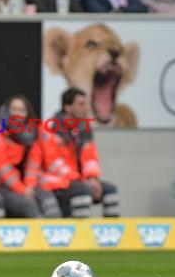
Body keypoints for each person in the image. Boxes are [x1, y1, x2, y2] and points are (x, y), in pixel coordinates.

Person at [41, 88, 120, 218]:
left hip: (80, 181)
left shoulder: (84, 129)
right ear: (67, 107)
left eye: (85, 104)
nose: (85, 108)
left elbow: (91, 158)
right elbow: (53, 164)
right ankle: (80, 236)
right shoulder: (51, 129)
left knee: (111, 191)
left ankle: (112, 234)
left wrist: (92, 178)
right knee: (82, 191)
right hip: (57, 182)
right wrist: (82, 181)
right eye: (80, 104)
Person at [0, 95, 41, 218]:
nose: (17, 114)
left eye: (21, 110)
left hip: (24, 185)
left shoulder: (32, 135)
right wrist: (22, 190)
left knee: (46, 199)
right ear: (6, 111)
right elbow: (0, 168)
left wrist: (30, 186)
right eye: (14, 109)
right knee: (27, 205)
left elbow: (33, 165)